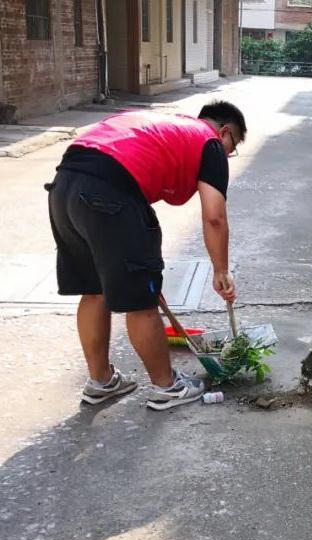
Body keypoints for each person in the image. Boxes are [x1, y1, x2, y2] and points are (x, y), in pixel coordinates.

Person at [46, 101, 246, 410]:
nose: (227, 155)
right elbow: (214, 216)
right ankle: (167, 387)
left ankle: (101, 382)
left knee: (94, 291)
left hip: (64, 188)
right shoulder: (209, 142)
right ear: (224, 132)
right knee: (141, 300)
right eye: (231, 148)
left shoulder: (165, 125)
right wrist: (221, 271)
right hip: (108, 194)